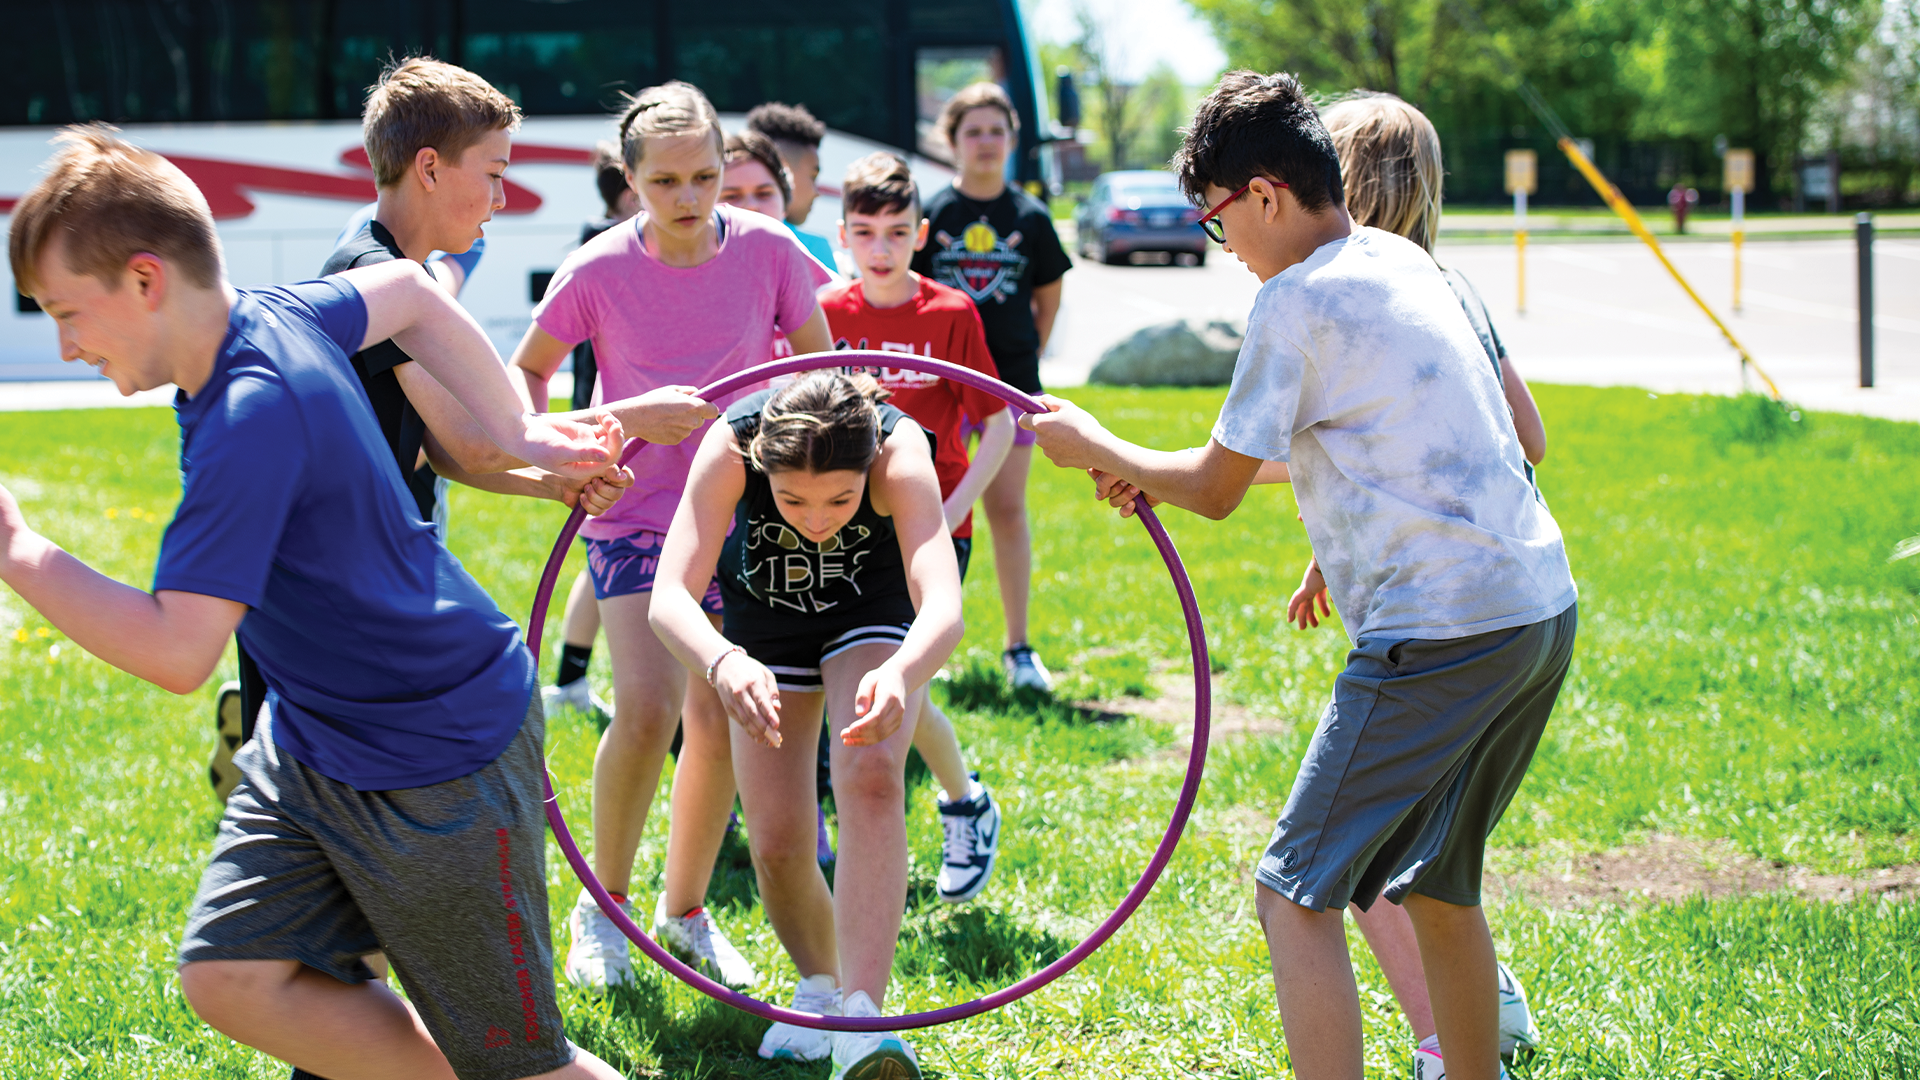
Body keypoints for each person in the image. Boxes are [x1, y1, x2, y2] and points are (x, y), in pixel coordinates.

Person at [2, 124, 630, 1080]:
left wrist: (15, 548)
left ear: (143, 280)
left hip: (441, 753)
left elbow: (179, 653)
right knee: (232, 977)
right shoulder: (272, 311)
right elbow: (411, 291)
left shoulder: (250, 423)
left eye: (65, 312)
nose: (65, 343)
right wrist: (522, 434)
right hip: (315, 744)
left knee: (524, 1068)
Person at [1025, 71, 1578, 1080]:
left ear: (1267, 195)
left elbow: (1216, 487)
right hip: (1538, 610)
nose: (1222, 248)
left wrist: (1095, 440)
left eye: (1215, 221)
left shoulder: (1295, 299)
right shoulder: (1403, 264)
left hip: (1438, 631)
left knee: (1294, 893)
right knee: (1439, 888)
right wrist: (1152, 475)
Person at [206, 59, 677, 802]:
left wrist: (552, 481)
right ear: (428, 167)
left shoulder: (388, 263)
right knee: (349, 802)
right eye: (492, 174)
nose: (501, 197)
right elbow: (486, 436)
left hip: (344, 587)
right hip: (331, 603)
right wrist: (637, 416)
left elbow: (447, 449)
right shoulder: (380, 277)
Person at [511, 80, 834, 992]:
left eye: (703, 177)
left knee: (722, 714)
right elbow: (525, 380)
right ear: (630, 180)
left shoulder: (770, 251)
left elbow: (822, 371)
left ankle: (682, 911)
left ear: (727, 166)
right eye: (665, 183)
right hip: (635, 515)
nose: (688, 200)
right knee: (648, 706)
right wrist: (599, 434)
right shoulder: (597, 269)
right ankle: (601, 907)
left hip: (746, 515)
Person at [1270, 89, 1551, 1079]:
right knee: (1420, 863)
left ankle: (1449, 1033)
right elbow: (1524, 436)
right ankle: (1466, 1031)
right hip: (1508, 608)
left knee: (1338, 861)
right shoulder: (1444, 284)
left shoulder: (1355, 292)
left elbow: (1290, 444)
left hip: (1435, 620)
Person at [649, 372, 962, 1079]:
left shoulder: (898, 450)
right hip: (764, 625)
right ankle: (819, 988)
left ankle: (863, 1016)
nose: (816, 520)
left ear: (867, 470)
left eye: (840, 501)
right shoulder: (732, 443)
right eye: (791, 501)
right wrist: (724, 662)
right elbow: (668, 596)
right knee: (780, 835)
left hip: (871, 616)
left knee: (874, 775)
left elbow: (943, 601)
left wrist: (902, 673)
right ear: (764, 466)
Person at [821, 151, 1013, 903]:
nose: (880, 247)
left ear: (922, 233)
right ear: (843, 235)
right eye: (864, 232)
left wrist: (955, 510)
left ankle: (960, 802)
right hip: (847, 528)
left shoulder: (951, 314)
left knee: (901, 676)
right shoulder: (827, 312)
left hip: (935, 529)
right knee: (872, 680)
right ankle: (959, 799)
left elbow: (997, 424)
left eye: (896, 231)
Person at [909, 82, 1071, 693]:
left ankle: (1019, 648)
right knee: (931, 511)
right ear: (951, 141)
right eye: (972, 131)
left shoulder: (1030, 217)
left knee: (1004, 510)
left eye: (996, 131)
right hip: (943, 389)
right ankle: (922, 638)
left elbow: (1047, 300)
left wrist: (1023, 356)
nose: (985, 143)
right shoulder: (936, 214)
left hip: (1010, 387)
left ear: (1012, 141)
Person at [543, 141, 644, 730]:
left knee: (595, 558)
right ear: (632, 188)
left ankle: (570, 679)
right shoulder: (601, 256)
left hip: (607, 428)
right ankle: (570, 680)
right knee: (602, 552)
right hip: (611, 430)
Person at [745, 101, 837, 268]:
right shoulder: (814, 250)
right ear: (783, 170)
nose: (817, 192)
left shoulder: (716, 242)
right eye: (813, 176)